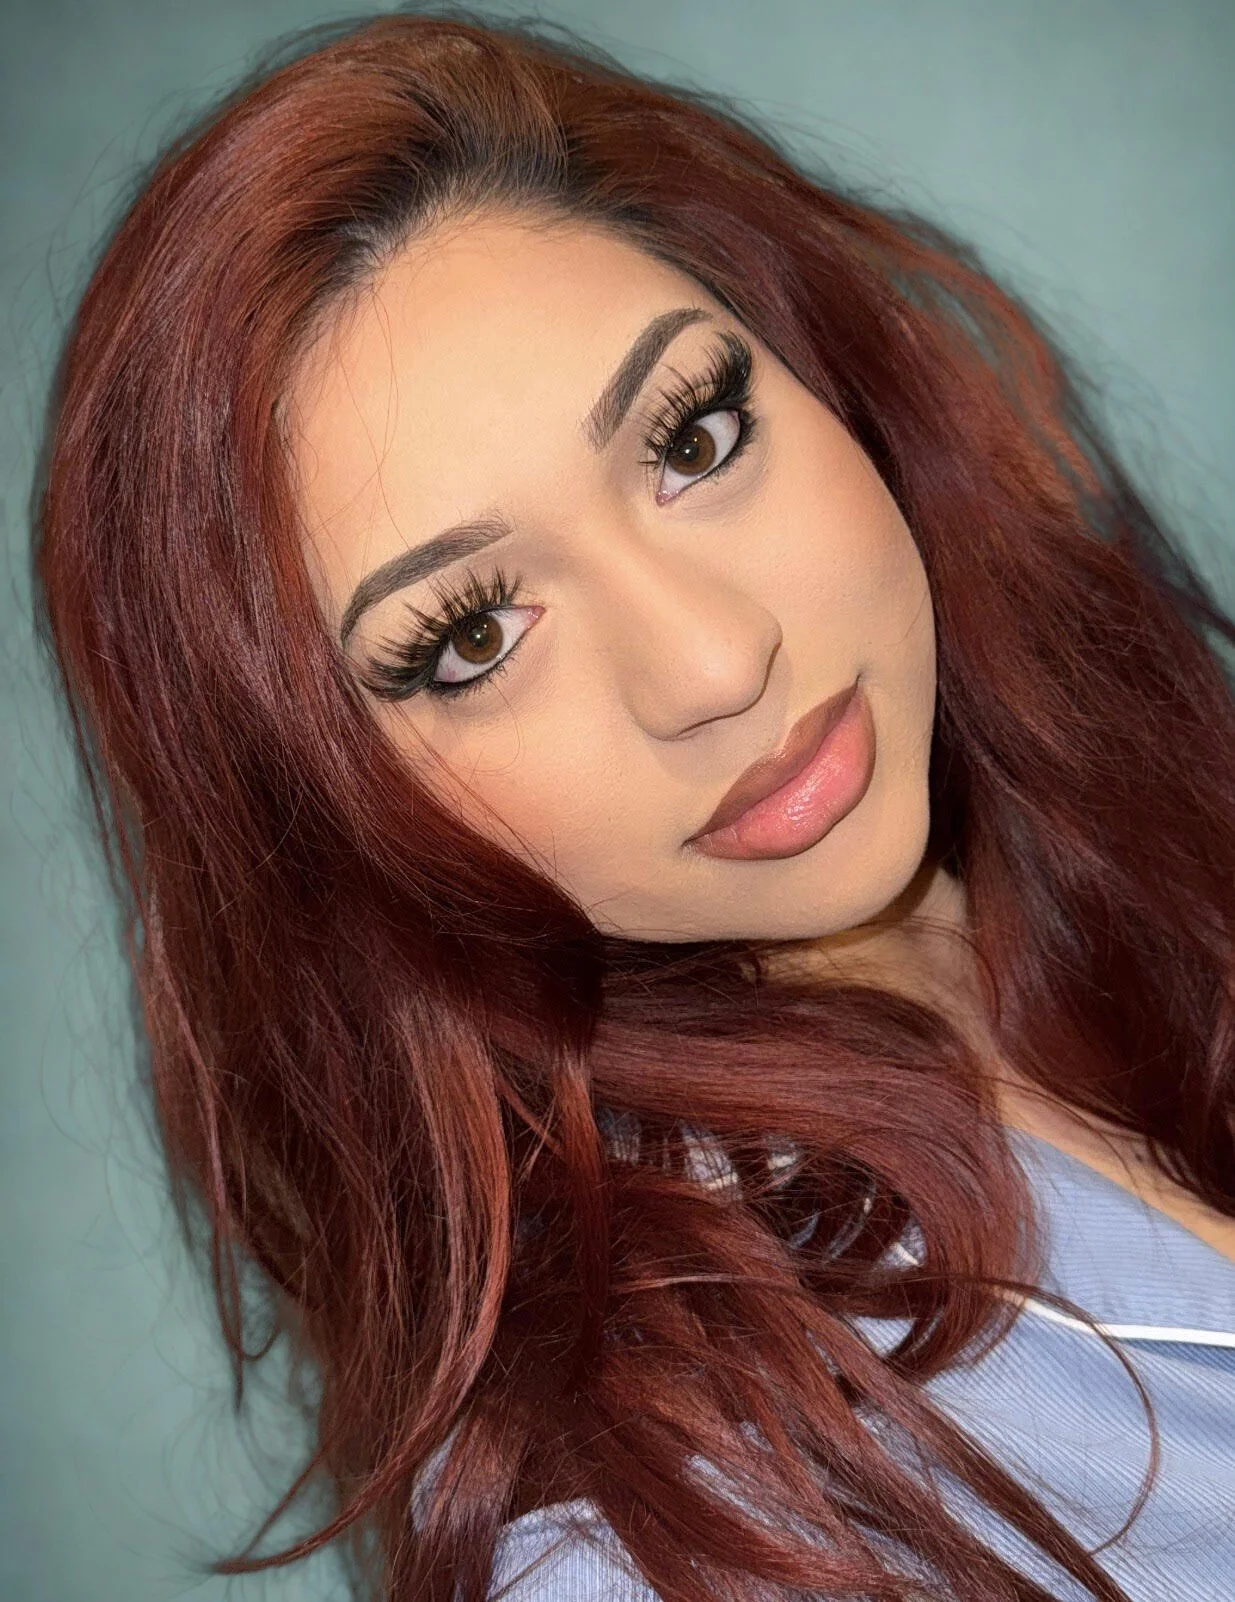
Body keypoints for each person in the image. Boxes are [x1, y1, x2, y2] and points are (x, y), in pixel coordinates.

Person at [29, 10, 1235, 1602]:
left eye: (692, 436)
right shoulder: (656, 1542)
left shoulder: (1165, 850)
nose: (713, 663)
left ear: (821, 368)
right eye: (472, 636)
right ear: (340, 814)